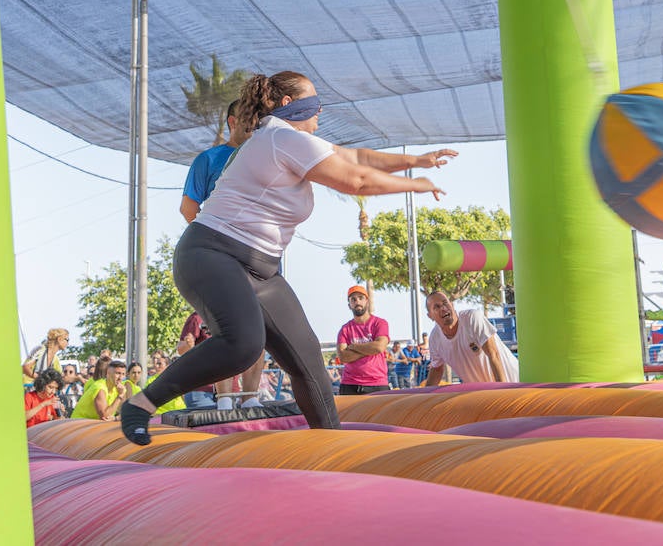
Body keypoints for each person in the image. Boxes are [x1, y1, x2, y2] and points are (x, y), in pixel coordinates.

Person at [119, 70, 456, 444]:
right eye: (313, 102)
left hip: (262, 270)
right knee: (243, 343)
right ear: (288, 106)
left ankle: (333, 447)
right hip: (212, 252)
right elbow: (355, 180)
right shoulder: (280, 137)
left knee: (307, 359)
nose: (320, 110)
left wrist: (416, 162)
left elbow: (356, 156)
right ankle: (142, 403)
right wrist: (417, 186)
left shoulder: (292, 140)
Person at [181, 101, 266, 408]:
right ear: (232, 121)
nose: (254, 125)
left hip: (258, 257)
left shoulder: (266, 158)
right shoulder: (210, 159)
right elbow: (188, 208)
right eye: (248, 119)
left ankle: (251, 397)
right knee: (226, 327)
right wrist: (214, 242)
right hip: (220, 257)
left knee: (259, 326)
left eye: (258, 120)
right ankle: (226, 398)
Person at [422, 291, 518, 385]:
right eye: (437, 307)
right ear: (430, 316)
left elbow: (493, 354)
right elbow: (436, 369)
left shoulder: (472, 319)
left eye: (445, 303)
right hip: (485, 393)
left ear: (452, 305)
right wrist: (425, 397)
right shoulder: (435, 339)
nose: (443, 308)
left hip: (513, 382)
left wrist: (503, 389)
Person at [337, 285, 390, 395]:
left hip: (377, 384)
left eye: (361, 298)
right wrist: (369, 349)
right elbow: (343, 357)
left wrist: (353, 347)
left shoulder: (380, 323)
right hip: (350, 385)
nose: (357, 301)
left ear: (367, 301)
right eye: (353, 299)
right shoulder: (345, 329)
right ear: (349, 305)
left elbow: (379, 347)